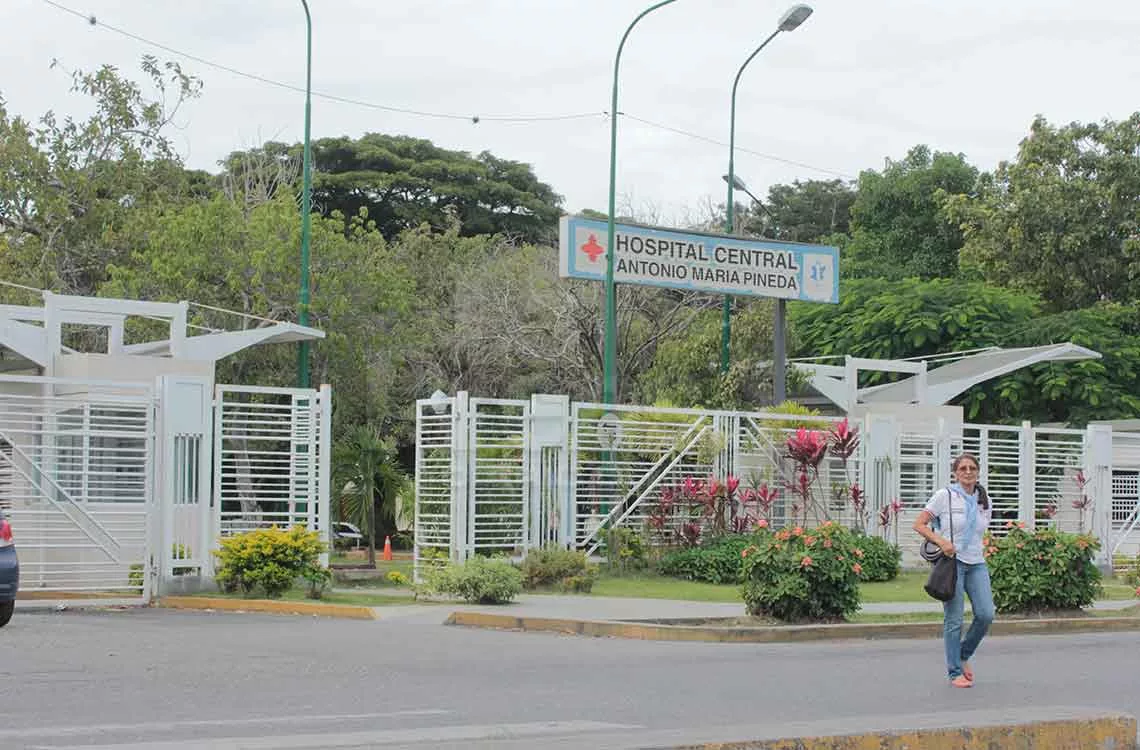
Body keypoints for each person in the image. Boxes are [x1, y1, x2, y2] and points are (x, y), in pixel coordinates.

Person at [913, 453, 995, 688]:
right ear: (955, 473)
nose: (968, 472)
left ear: (977, 472)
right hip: (953, 563)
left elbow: (980, 531)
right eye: (963, 468)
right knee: (954, 619)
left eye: (972, 468)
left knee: (986, 613)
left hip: (977, 563)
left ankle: (962, 654)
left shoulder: (984, 500)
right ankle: (954, 672)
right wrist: (942, 542)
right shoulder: (945, 496)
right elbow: (919, 524)